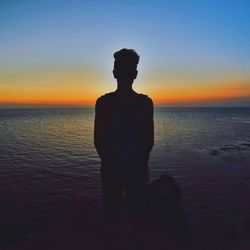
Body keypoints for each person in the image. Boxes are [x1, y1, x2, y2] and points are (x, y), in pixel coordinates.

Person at [94, 48, 154, 250]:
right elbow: (149, 142)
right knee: (136, 217)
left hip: (111, 170)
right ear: (135, 74)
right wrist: (138, 164)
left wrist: (111, 162)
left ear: (114, 73)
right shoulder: (145, 103)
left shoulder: (103, 103)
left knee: (112, 217)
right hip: (137, 170)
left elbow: (98, 141)